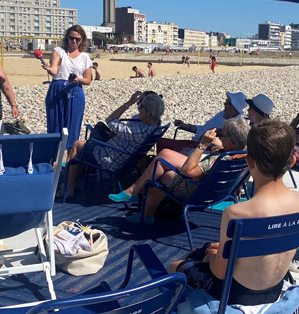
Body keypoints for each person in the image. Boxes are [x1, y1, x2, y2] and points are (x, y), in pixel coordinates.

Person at [165, 120, 299, 314]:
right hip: (273, 288)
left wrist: (209, 257)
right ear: (291, 161)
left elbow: (218, 273)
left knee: (176, 268)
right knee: (207, 255)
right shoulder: (298, 201)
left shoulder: (238, 213)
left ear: (249, 162)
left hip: (236, 293)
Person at [109, 117, 250, 223]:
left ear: (231, 142)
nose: (218, 137)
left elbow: (187, 172)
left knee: (159, 172)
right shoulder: (244, 155)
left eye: (221, 135)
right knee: (164, 155)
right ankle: (139, 200)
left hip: (195, 193)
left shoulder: (218, 160)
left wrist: (202, 145)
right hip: (217, 192)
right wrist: (222, 147)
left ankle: (138, 199)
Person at [64, 91, 164, 199]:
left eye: (140, 106)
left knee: (77, 145)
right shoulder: (156, 127)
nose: (138, 108)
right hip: (123, 158)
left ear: (149, 112)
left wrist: (128, 103)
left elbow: (110, 120)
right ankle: (73, 183)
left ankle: (68, 188)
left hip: (111, 158)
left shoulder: (138, 131)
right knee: (86, 146)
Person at [41, 25, 94, 147]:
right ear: (67, 38)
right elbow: (54, 70)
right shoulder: (59, 51)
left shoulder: (85, 57)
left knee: (72, 128)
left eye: (77, 39)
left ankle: (70, 161)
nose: (74, 41)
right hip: (57, 89)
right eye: (71, 38)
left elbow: (88, 79)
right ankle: (53, 159)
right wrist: (49, 69)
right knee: (54, 125)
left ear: (82, 40)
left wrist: (77, 79)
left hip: (75, 91)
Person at [158, 91, 247, 153]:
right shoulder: (222, 114)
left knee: (168, 150)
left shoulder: (234, 124)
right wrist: (186, 126)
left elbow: (229, 146)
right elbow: (205, 128)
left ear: (235, 108)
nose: (225, 104)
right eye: (226, 101)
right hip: (195, 142)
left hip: (203, 147)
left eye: (228, 103)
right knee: (161, 142)